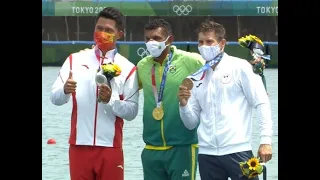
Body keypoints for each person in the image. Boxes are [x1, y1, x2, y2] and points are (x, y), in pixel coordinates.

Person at [50, 7, 139, 180]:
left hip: (110, 148)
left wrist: (111, 101)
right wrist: (65, 91)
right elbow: (55, 98)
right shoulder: (74, 60)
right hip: (78, 146)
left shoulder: (128, 68)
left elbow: (132, 112)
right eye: (99, 28)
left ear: (119, 34)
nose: (102, 33)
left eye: (108, 30)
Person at [178, 20, 273, 180]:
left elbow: (262, 102)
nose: (204, 46)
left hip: (239, 151)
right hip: (207, 155)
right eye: (201, 42)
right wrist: (183, 105)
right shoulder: (194, 78)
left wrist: (265, 141)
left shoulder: (241, 67)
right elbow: (190, 124)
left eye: (209, 41)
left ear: (222, 43)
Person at [137, 19, 205, 180]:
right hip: (151, 148)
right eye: (147, 39)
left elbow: (217, 72)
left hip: (182, 146)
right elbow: (125, 94)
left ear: (170, 39)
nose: (151, 42)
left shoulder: (191, 61)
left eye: (157, 38)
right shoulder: (142, 66)